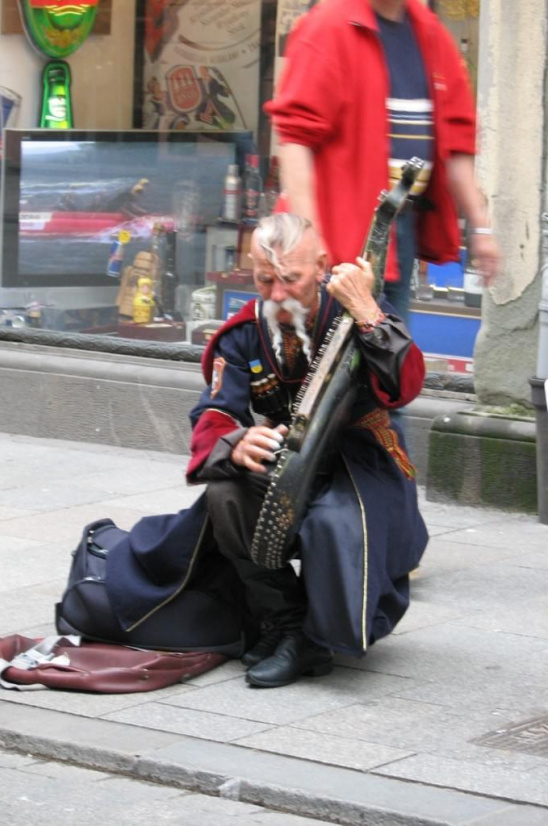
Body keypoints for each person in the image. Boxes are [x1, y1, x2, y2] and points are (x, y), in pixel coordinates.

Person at [105, 213, 428, 689]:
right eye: (264, 280)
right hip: (290, 456)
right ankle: (285, 622)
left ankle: (318, 641)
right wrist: (235, 443)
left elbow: (406, 385)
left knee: (332, 523)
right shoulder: (242, 334)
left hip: (360, 460)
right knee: (226, 495)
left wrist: (367, 315)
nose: (277, 294)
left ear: (321, 266)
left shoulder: (356, 306)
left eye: (291, 279)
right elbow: (214, 414)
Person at [265, 0, 500, 321]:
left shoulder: (429, 32)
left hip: (398, 231)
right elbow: (295, 139)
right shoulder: (329, 25)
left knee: (387, 357)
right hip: (336, 237)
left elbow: (456, 142)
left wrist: (482, 230)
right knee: (326, 363)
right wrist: (309, 241)